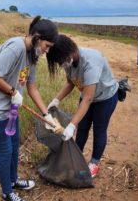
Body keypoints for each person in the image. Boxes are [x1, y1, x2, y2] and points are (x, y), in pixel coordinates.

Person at [0, 16, 58, 201]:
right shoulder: (16, 48)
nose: (47, 51)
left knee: (14, 145)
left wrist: (46, 114)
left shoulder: (32, 56)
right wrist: (13, 92)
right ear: (37, 37)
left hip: (11, 109)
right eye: (47, 46)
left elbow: (32, 88)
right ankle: (7, 192)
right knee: (4, 150)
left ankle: (13, 181)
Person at [46, 34, 119, 178]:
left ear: (71, 51)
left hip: (105, 98)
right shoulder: (67, 60)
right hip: (87, 96)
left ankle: (94, 163)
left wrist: (71, 125)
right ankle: (76, 155)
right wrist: (56, 100)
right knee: (83, 127)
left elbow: (87, 99)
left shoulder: (91, 62)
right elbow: (70, 83)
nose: (61, 65)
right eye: (59, 63)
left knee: (99, 130)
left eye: (61, 61)